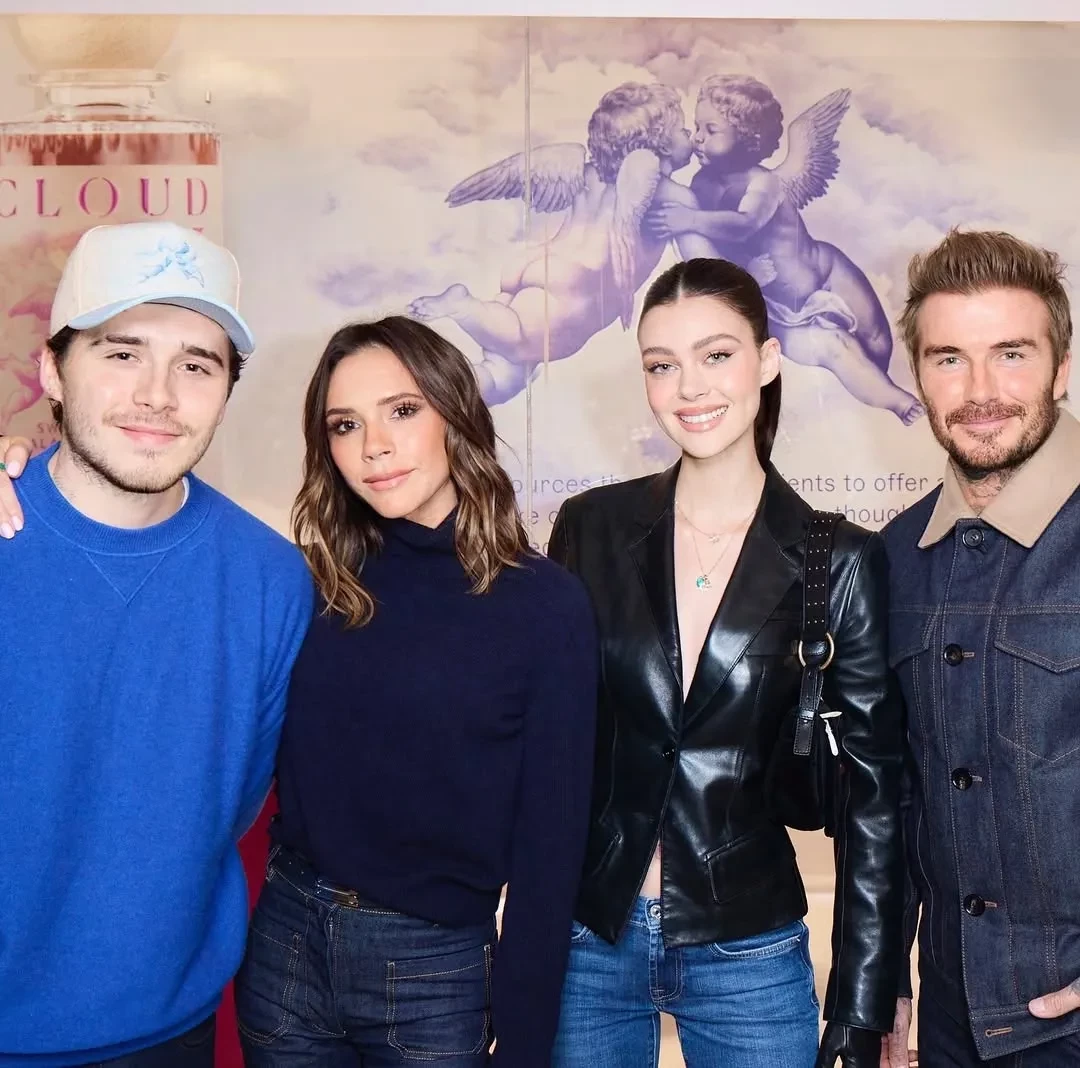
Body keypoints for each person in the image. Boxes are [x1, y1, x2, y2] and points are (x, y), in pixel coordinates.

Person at [545, 257, 905, 1068]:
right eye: (661, 365)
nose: (690, 388)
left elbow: (873, 799)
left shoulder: (838, 560)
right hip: (587, 936)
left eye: (716, 355)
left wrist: (862, 1002)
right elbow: (548, 739)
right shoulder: (590, 528)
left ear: (767, 361)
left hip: (746, 949)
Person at [230, 316, 599, 1065]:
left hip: (433, 973)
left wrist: (524, 1044)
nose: (374, 446)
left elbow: (550, 853)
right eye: (345, 424)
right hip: (286, 947)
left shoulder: (544, 607)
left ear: (454, 413)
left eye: (401, 410)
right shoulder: (311, 583)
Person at [0, 220, 314, 1066]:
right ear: (51, 370)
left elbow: (234, 806)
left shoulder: (271, 580)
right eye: (121, 352)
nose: (158, 395)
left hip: (168, 1035)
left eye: (196, 365)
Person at [880, 228, 1080, 1066]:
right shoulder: (893, 556)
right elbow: (891, 796)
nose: (981, 391)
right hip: (952, 1020)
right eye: (949, 359)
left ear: (1061, 366)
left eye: (1011, 354)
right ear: (918, 374)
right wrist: (882, 984)